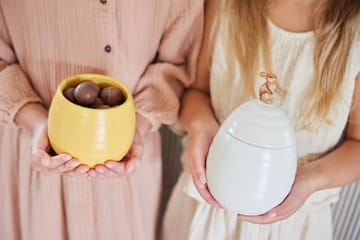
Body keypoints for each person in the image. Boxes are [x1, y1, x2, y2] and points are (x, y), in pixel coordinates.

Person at [0, 1, 204, 239]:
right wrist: (34, 120)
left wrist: (133, 127)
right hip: (31, 154)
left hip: (130, 164)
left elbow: (176, 62)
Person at [162, 0, 360, 239]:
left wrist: (308, 180)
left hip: (295, 224)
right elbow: (196, 93)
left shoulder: (354, 32)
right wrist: (203, 128)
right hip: (205, 210)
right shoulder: (227, 5)